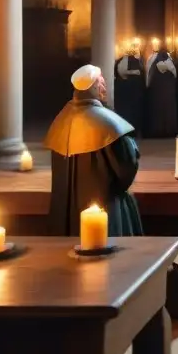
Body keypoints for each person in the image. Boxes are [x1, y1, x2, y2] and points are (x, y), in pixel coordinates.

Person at [44, 64, 144, 239]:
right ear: (95, 88)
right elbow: (127, 167)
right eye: (101, 82)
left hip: (67, 216)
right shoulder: (107, 123)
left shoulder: (60, 121)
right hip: (107, 212)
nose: (104, 87)